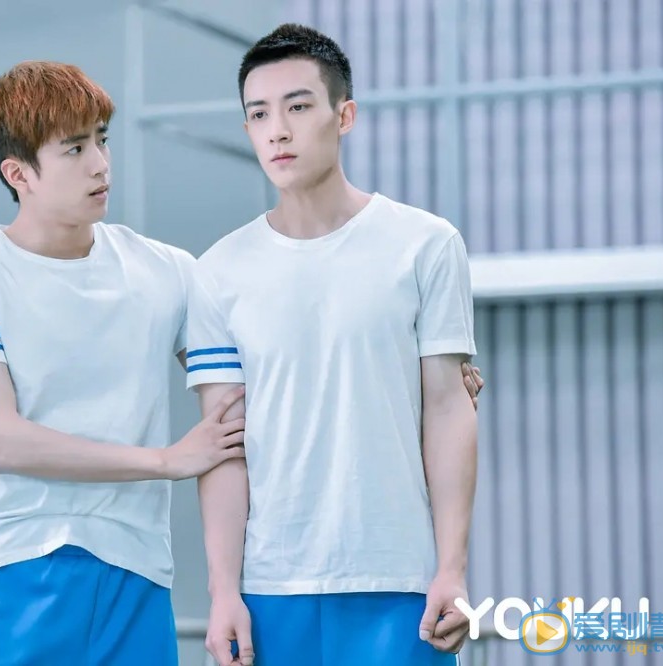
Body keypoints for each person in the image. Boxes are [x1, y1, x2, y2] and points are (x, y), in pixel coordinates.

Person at [0, 60, 247, 666]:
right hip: (12, 573)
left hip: (138, 577)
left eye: (101, 139)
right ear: (18, 173)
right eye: (74, 148)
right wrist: (165, 461)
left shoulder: (169, 271)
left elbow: (235, 416)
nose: (100, 164)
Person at [188, 24, 483, 666]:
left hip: (400, 583)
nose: (277, 131)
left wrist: (452, 569)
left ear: (343, 115)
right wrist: (222, 591)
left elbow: (449, 408)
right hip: (270, 588)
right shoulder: (216, 272)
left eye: (297, 107)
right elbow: (224, 446)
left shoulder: (426, 245)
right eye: (259, 114)